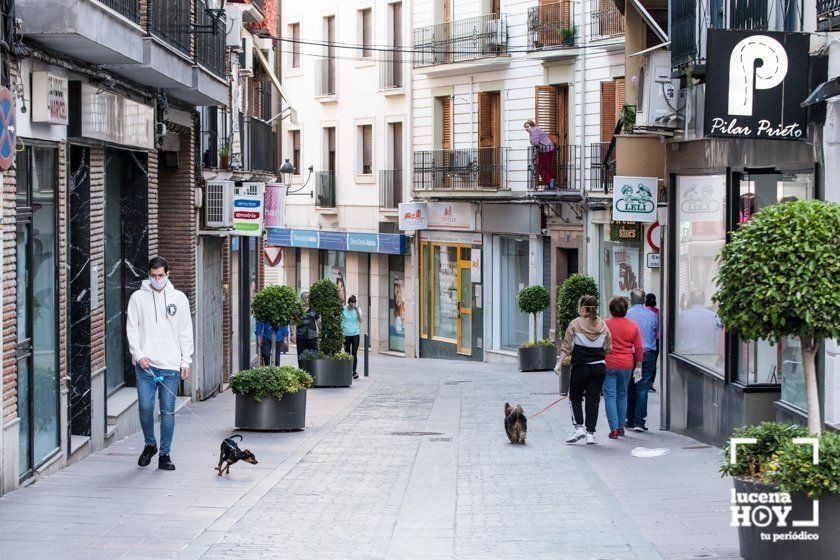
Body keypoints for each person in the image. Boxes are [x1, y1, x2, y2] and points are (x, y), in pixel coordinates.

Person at [126, 257, 193, 471]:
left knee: (168, 411)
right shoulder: (137, 298)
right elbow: (132, 329)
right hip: (145, 365)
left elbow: (186, 331)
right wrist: (138, 354)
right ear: (148, 275)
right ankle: (150, 444)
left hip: (170, 365)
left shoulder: (179, 298)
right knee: (145, 407)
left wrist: (186, 360)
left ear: (168, 273)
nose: (157, 279)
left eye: (161, 275)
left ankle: (165, 454)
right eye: (153, 276)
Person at [555, 295, 612, 445]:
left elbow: (566, 346)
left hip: (580, 367)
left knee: (575, 397)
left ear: (582, 308)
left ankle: (578, 427)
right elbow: (608, 348)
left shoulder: (575, 324)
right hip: (599, 367)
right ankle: (590, 434)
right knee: (593, 400)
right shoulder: (603, 325)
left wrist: (559, 363)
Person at [603, 296, 643, 440]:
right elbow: (638, 347)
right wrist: (639, 365)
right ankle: (621, 427)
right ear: (626, 309)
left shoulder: (605, 324)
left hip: (609, 362)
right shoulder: (633, 325)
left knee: (610, 395)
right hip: (626, 363)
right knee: (622, 394)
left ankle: (613, 429)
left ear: (611, 309)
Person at [625, 289, 659, 432]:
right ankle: (640, 422)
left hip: (631, 355)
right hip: (647, 355)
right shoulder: (652, 315)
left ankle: (630, 420)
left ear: (631, 300)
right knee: (643, 388)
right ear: (644, 300)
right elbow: (655, 331)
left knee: (630, 387)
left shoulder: (627, 315)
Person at [524, 119, 556, 189]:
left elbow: (534, 142)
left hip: (547, 150)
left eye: (527, 126)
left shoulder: (534, 131)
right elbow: (533, 142)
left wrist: (533, 142)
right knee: (542, 167)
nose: (526, 129)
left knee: (544, 167)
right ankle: (549, 183)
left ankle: (550, 183)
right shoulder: (534, 131)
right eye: (525, 127)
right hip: (543, 150)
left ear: (531, 126)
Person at [293, 291, 319, 362]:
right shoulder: (298, 309)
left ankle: (312, 372)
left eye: (309, 297)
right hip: (301, 336)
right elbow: (294, 322)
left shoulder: (314, 309)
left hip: (313, 336)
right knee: (301, 356)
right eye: (306, 297)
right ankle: (302, 371)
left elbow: (318, 322)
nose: (308, 299)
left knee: (314, 356)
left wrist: (321, 334)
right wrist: (293, 334)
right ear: (302, 298)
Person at [342, 295, 364, 379]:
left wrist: (357, 310)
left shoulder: (358, 309)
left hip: (355, 334)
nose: (352, 307)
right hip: (345, 334)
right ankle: (348, 371)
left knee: (354, 353)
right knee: (347, 353)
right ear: (348, 303)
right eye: (351, 305)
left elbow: (361, 320)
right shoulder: (343, 309)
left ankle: (354, 372)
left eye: (354, 304)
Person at [645, 293, 661, 392]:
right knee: (653, 362)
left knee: (640, 362)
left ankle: (640, 380)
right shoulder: (658, 312)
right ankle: (650, 383)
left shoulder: (643, 311)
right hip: (656, 340)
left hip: (643, 340)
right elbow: (659, 327)